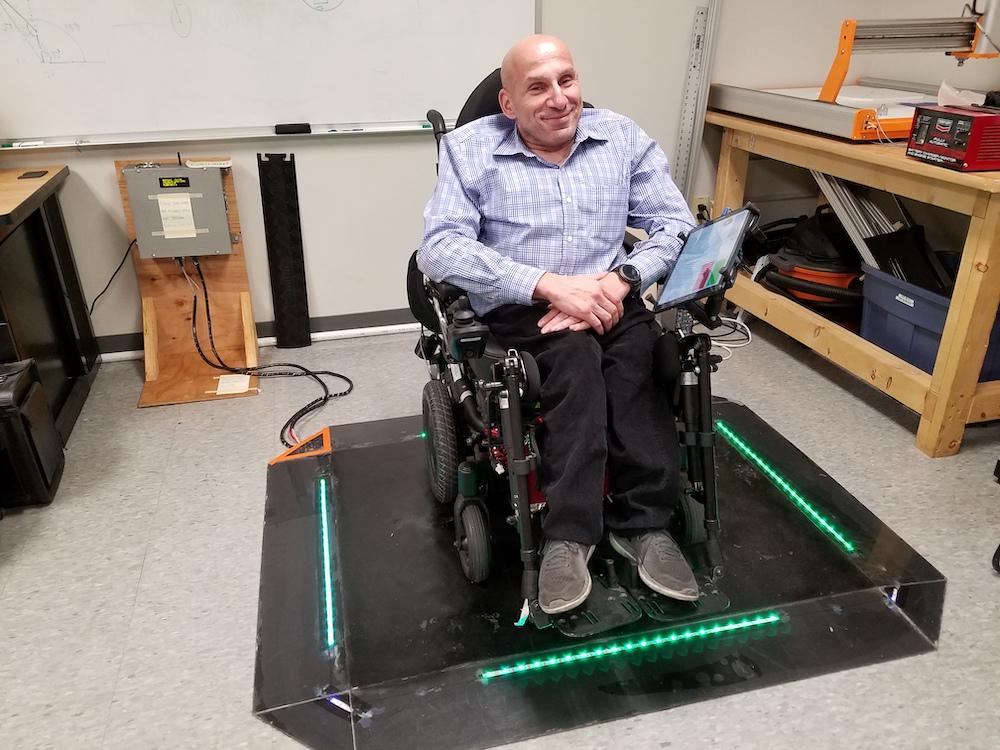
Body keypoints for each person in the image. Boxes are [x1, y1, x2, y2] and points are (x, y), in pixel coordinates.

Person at [417, 34, 698, 615]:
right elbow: (440, 250)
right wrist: (546, 285)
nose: (558, 99)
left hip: (607, 293)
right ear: (508, 103)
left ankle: (643, 524)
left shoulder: (621, 139)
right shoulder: (470, 151)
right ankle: (569, 535)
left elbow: (674, 225)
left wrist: (621, 280)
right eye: (537, 88)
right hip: (522, 303)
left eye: (566, 81)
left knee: (639, 360)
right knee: (573, 364)